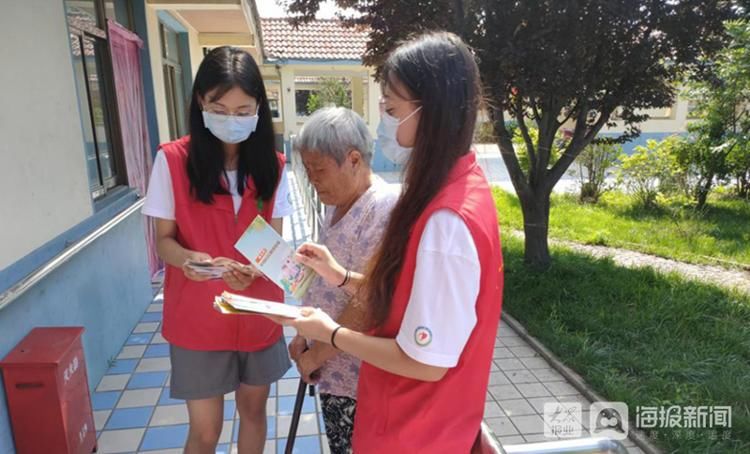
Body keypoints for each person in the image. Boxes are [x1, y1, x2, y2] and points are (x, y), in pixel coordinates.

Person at [270, 32, 504, 453]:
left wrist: (333, 334)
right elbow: (407, 297)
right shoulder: (455, 191)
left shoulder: (445, 222)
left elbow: (425, 362)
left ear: (429, 111)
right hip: (420, 422)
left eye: (392, 108)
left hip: (413, 431)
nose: (384, 122)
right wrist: (339, 276)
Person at [142, 46, 291, 454]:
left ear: (260, 108)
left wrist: (258, 271)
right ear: (200, 103)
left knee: (254, 414)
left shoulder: (274, 166)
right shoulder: (172, 161)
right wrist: (189, 259)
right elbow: (164, 242)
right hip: (199, 317)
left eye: (244, 111)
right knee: (205, 432)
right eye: (219, 108)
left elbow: (274, 246)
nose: (232, 120)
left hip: (258, 311)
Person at [287, 107, 398, 454]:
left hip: (361, 381)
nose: (312, 180)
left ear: (353, 159)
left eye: (319, 170)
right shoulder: (337, 204)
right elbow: (324, 284)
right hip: (335, 374)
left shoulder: (383, 209)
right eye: (307, 170)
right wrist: (303, 337)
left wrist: (315, 356)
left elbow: (367, 300)